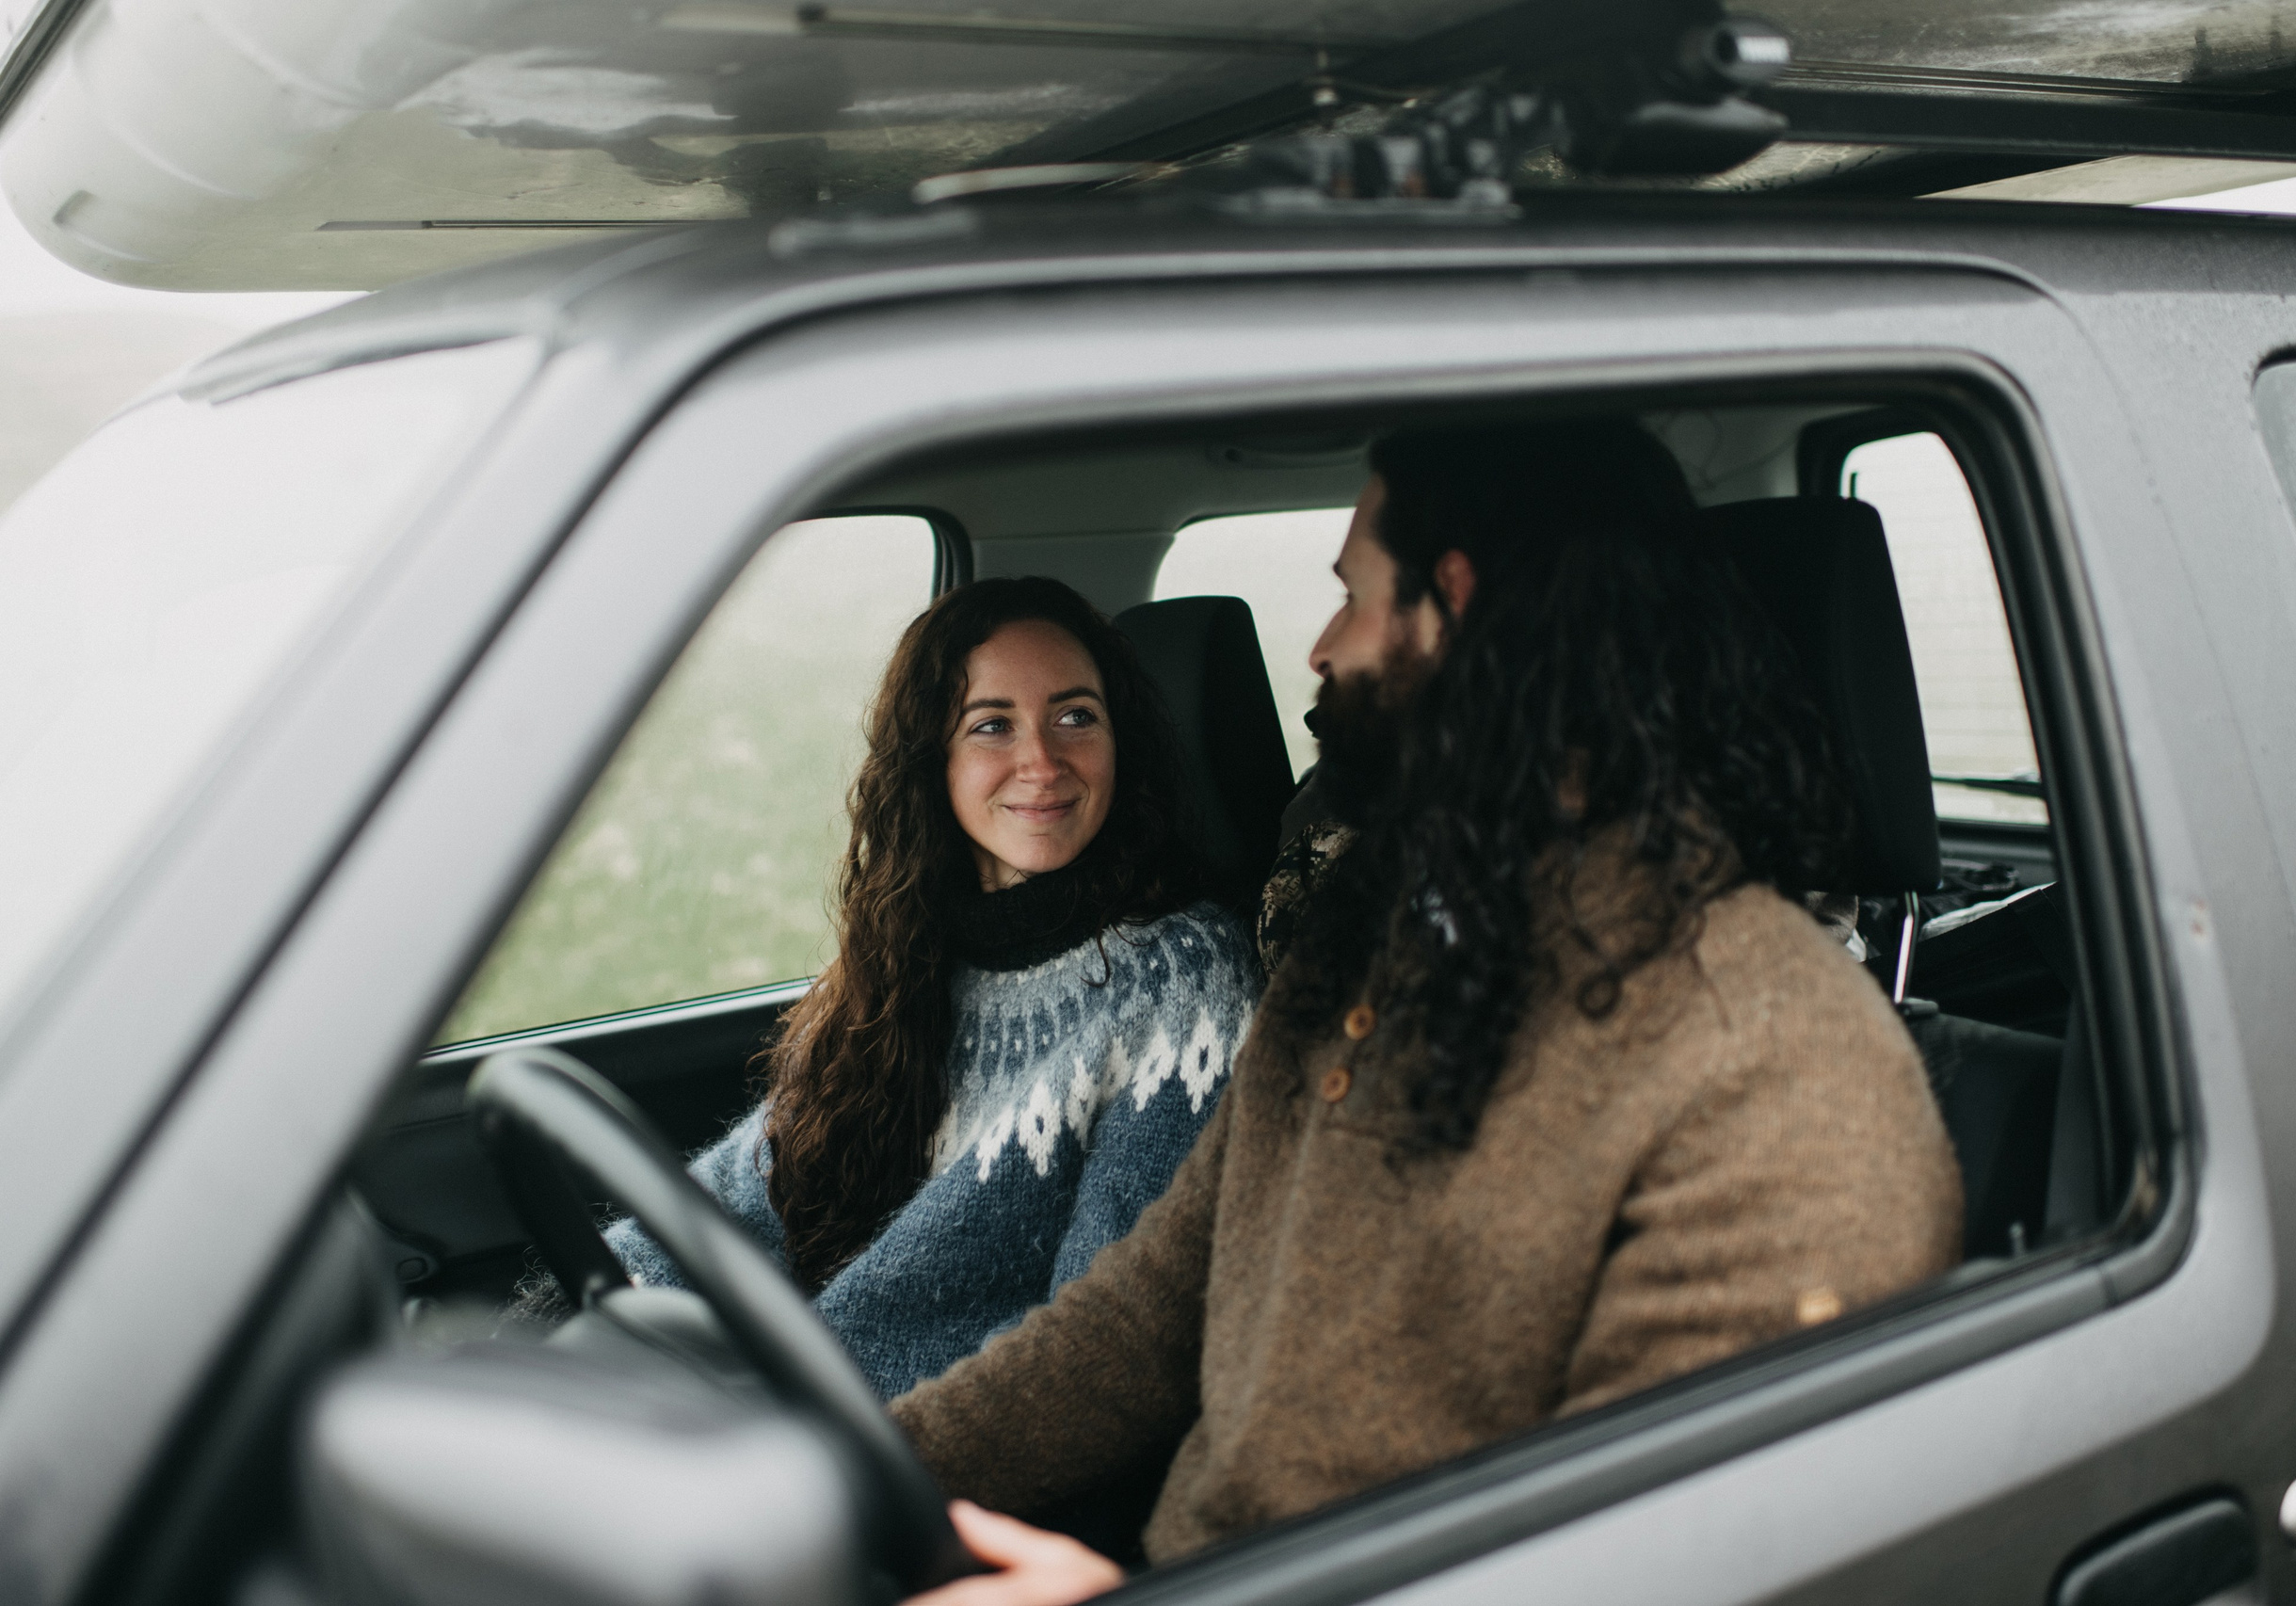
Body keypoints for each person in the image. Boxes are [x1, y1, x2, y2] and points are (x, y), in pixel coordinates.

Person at [889, 422, 1965, 1603]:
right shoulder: (1368, 931)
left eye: (1353, 599)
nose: (1321, 647)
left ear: (1450, 607)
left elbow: (1661, 1563)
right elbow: (1151, 1309)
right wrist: (867, 1473)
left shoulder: (1774, 1059)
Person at [603, 576, 1261, 1399]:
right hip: (773, 1418)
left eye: (1076, 717)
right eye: (992, 726)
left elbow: (1099, 1347)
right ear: (933, 760)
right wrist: (576, 1322)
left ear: (1120, 739)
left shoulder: (1184, 981)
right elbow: (731, 1203)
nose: (1042, 762)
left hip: (910, 1465)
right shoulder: (898, 959)